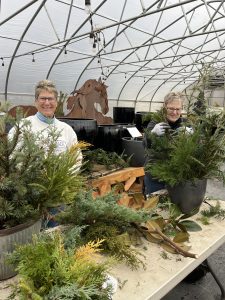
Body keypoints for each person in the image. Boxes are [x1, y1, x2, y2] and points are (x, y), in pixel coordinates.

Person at [143, 91, 192, 196]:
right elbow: (145, 145)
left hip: (177, 177)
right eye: (171, 108)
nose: (174, 112)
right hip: (156, 176)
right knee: (154, 206)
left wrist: (192, 136)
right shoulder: (155, 122)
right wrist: (152, 134)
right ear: (165, 106)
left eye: (178, 109)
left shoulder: (186, 123)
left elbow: (198, 147)